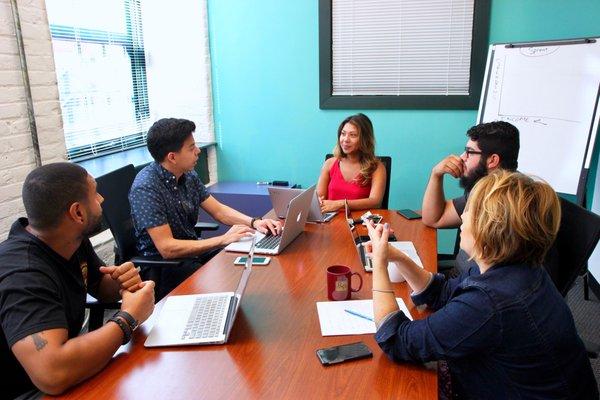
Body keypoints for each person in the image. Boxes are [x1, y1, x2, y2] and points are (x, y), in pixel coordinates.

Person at [366, 170, 598, 399]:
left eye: (470, 211)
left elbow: (395, 339)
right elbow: (444, 292)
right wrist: (397, 257)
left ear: (489, 228)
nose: (463, 217)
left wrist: (378, 263)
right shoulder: (514, 264)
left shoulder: (490, 301)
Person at [0, 163, 155, 398]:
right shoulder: (24, 272)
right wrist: (128, 318)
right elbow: (51, 374)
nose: (102, 199)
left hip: (60, 374)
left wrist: (122, 282)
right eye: (95, 193)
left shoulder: (70, 239)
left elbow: (100, 288)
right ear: (78, 213)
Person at [129, 118, 282, 298]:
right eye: (191, 147)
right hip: (166, 268)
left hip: (194, 254)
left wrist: (255, 222)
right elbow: (167, 248)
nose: (198, 151)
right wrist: (223, 239)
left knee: (247, 263)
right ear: (172, 157)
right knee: (230, 281)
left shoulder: (188, 175)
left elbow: (219, 211)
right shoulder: (146, 187)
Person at [421, 121, 519, 229]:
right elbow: (434, 219)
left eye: (470, 152)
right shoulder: (484, 190)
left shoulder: (507, 203)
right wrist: (436, 174)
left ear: (492, 160)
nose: (462, 157)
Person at [316, 113, 386, 212]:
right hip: (330, 222)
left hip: (360, 223)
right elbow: (319, 197)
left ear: (364, 139)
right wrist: (317, 201)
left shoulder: (377, 167)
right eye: (343, 134)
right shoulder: (329, 163)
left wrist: (341, 204)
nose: (345, 139)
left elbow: (376, 202)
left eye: (353, 135)